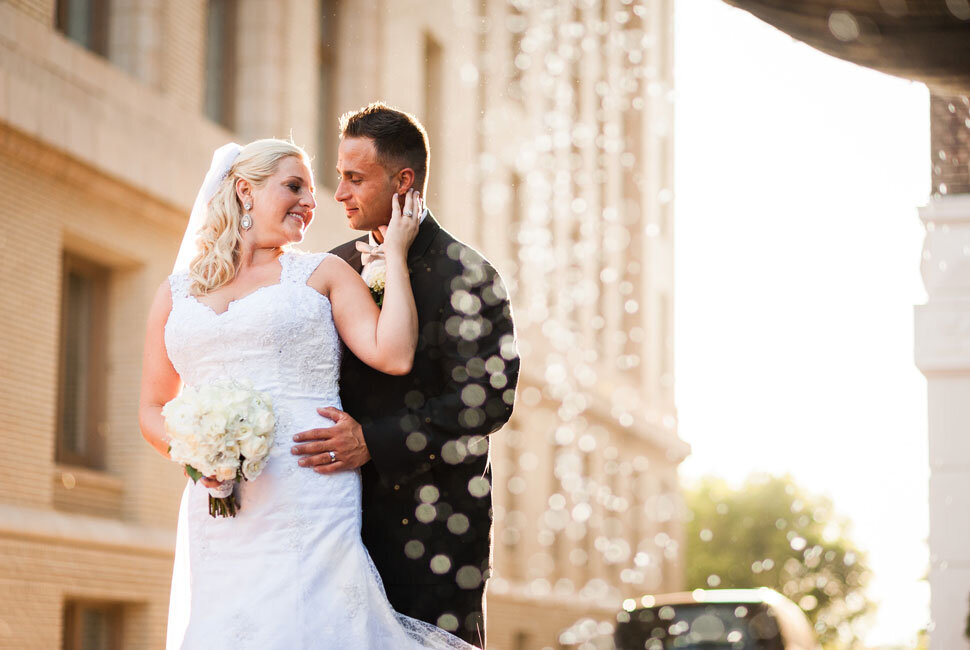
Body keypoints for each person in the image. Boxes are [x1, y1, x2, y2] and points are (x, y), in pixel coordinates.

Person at [139, 138, 473, 649]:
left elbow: (394, 352)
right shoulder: (174, 292)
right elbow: (153, 406)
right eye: (293, 186)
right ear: (245, 191)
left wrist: (398, 255)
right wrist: (195, 454)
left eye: (312, 193)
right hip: (219, 504)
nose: (311, 202)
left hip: (310, 490)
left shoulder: (323, 274)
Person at [291, 103, 519, 646]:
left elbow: (485, 403)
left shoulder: (471, 274)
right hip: (336, 523)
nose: (339, 192)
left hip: (435, 534)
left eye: (354, 177)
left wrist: (373, 441)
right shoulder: (332, 267)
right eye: (339, 175)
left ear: (403, 180)